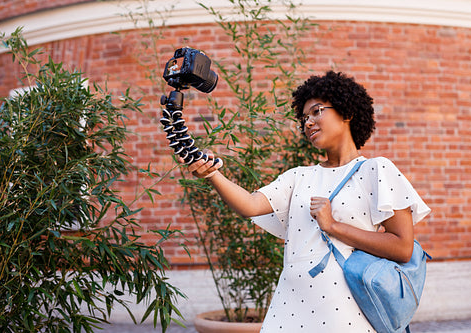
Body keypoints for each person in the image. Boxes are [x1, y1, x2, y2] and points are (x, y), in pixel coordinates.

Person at [181, 70, 431, 332]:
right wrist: (212, 174)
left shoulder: (377, 170)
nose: (308, 122)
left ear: (346, 112)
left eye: (317, 111)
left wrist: (333, 226)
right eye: (304, 118)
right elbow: (250, 205)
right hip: (287, 310)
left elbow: (402, 247)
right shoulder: (298, 177)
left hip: (345, 317)